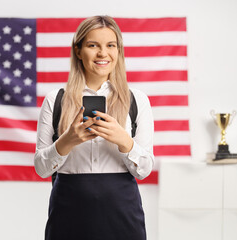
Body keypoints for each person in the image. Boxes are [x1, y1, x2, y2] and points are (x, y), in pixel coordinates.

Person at [34, 15, 154, 240]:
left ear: (119, 51)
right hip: (68, 215)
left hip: (123, 216)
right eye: (93, 45)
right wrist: (67, 141)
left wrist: (124, 141)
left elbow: (144, 170)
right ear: (78, 50)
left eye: (110, 45)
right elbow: (42, 168)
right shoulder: (55, 99)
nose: (103, 53)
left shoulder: (137, 100)